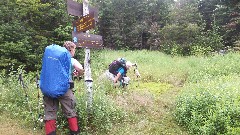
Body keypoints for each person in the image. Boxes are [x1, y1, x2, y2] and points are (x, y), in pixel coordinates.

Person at [43, 41, 84, 135]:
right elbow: (80, 68)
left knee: (49, 112)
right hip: (64, 89)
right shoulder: (70, 58)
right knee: (70, 110)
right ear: (71, 49)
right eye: (74, 49)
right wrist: (79, 73)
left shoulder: (52, 57)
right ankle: (74, 132)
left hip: (49, 87)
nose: (74, 52)